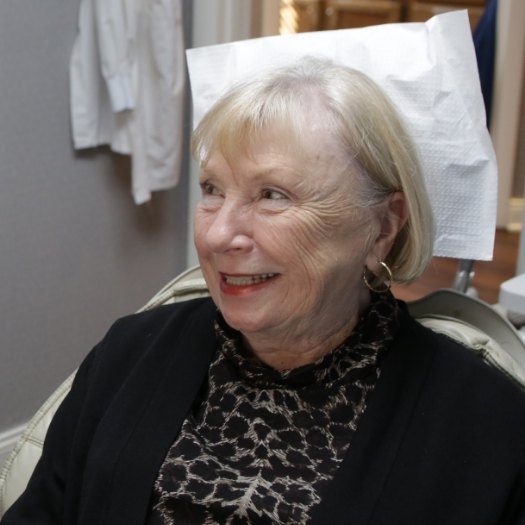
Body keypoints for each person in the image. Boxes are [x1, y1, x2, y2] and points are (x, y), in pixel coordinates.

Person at [2, 57, 525, 525]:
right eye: (212, 190)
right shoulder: (130, 354)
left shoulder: (487, 427)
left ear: (383, 226)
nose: (214, 235)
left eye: (272, 195)